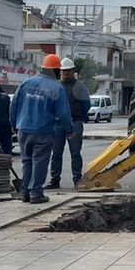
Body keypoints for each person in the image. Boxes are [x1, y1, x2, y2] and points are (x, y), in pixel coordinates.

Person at [9, 54, 73, 204]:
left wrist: (13, 124)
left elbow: (13, 105)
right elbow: (63, 113)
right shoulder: (57, 88)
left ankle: (25, 192)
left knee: (27, 161)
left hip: (23, 129)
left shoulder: (26, 83)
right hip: (43, 131)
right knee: (39, 162)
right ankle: (36, 193)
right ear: (57, 70)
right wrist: (70, 130)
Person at [48, 58, 91, 189]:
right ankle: (55, 180)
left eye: (68, 71)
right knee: (56, 153)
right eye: (64, 71)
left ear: (73, 71)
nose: (66, 73)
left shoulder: (80, 86)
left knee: (75, 153)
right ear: (60, 72)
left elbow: (86, 105)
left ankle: (77, 179)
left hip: (75, 122)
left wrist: (78, 118)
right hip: (58, 124)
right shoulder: (55, 86)